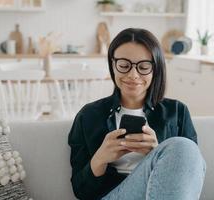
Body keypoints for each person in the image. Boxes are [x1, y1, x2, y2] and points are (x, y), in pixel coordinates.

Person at [68, 28, 206, 200]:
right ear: (113, 65)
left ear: (155, 68)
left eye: (143, 67)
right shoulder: (88, 115)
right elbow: (81, 192)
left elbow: (191, 174)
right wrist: (100, 158)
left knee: (184, 147)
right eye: (124, 65)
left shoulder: (177, 112)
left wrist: (157, 153)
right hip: (111, 195)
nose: (133, 75)